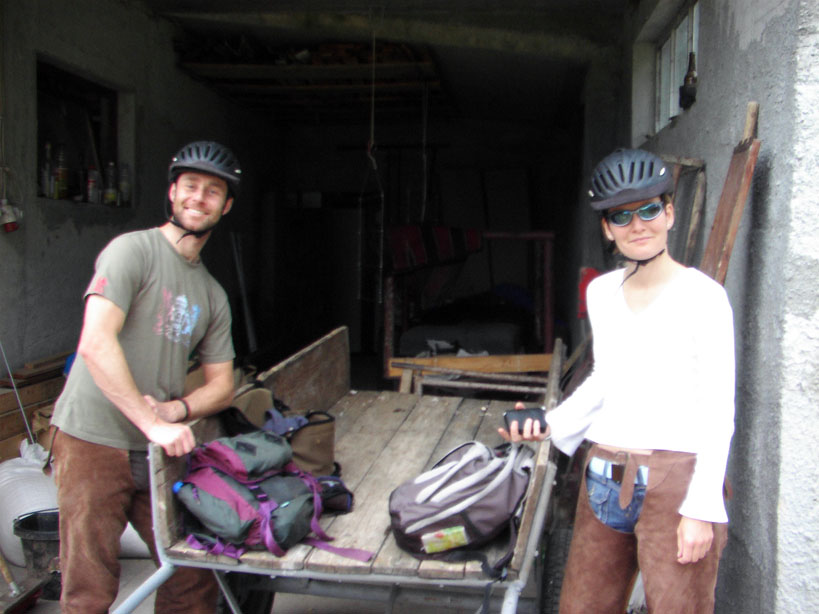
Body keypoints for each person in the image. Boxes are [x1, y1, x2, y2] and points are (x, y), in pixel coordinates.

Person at [500, 148, 735, 614]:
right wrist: (550, 422)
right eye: (621, 216)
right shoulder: (602, 291)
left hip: (676, 480)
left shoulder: (704, 297)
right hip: (605, 475)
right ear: (607, 228)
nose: (638, 224)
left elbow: (718, 408)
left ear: (669, 214)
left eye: (649, 209)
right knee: (582, 607)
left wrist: (702, 508)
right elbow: (607, 379)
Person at [50, 141, 243, 613]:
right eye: (191, 186)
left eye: (212, 191)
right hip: (93, 439)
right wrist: (151, 422)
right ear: (173, 192)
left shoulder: (212, 294)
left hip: (157, 449)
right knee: (89, 587)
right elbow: (95, 343)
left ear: (227, 205)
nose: (199, 198)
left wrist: (176, 410)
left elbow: (223, 384)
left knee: (193, 574)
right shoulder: (131, 251)